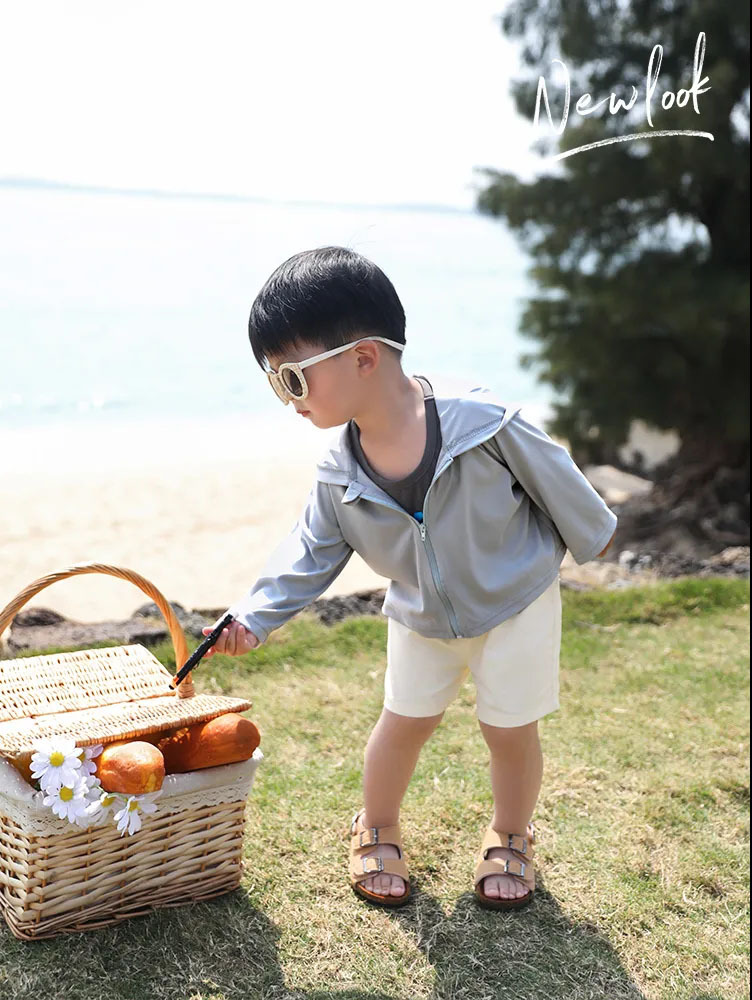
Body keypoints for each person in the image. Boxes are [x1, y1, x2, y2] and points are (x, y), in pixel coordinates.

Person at [201, 245, 618, 910]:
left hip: (516, 604)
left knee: (510, 730)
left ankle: (511, 833)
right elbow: (309, 550)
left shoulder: (485, 425)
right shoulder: (339, 473)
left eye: (294, 379)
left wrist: (593, 535)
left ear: (364, 357)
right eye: (275, 381)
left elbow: (558, 480)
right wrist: (254, 615)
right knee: (403, 722)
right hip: (419, 613)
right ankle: (377, 824)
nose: (286, 398)